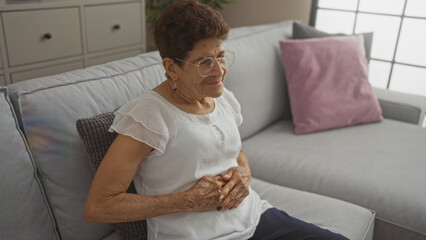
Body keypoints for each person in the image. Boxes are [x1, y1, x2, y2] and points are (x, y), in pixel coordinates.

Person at [83, 1, 349, 239]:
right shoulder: (147, 115)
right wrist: (187, 201)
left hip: (256, 219)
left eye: (220, 55)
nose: (219, 70)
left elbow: (235, 151)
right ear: (171, 67)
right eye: (204, 62)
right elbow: (99, 206)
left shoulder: (223, 98)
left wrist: (244, 174)